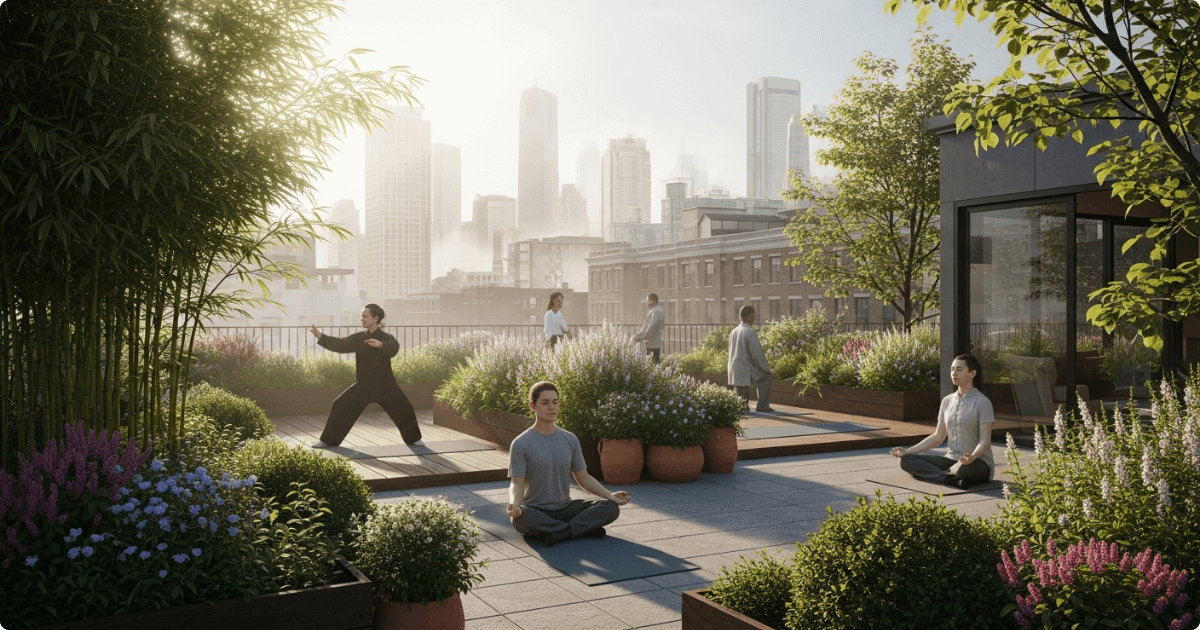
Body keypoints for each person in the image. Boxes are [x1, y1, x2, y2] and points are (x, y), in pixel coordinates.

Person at [506, 382, 631, 547]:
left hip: (566, 509)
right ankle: (582, 530)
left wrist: (610, 496)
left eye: (555, 402)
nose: (552, 407)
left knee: (611, 508)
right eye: (545, 402)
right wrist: (515, 504)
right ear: (533, 406)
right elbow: (517, 483)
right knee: (521, 518)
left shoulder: (570, 439)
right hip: (536, 510)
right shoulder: (521, 443)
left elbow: (583, 477)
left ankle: (560, 532)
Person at [307, 304, 423, 448]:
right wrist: (320, 336)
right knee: (340, 405)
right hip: (363, 385)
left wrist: (380, 345)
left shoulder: (387, 338)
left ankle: (414, 439)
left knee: (405, 408)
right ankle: (328, 441)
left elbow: (394, 348)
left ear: (376, 318)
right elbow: (341, 344)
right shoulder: (359, 338)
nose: (362, 319)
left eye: (365, 316)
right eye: (361, 316)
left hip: (385, 385)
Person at [890, 354, 995, 489]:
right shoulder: (947, 401)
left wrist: (973, 457)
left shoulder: (983, 403)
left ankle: (945, 476)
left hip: (978, 462)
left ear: (972, 373)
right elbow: (938, 436)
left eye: (959, 369)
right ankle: (949, 478)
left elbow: (985, 441)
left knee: (960, 470)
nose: (953, 373)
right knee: (907, 461)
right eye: (952, 369)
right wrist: (908, 451)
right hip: (950, 459)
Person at [728, 305, 777, 412]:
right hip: (746, 370)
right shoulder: (750, 332)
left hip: (734, 369)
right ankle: (762, 405)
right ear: (750, 316)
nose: (755, 318)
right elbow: (757, 356)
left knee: (741, 396)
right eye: (754, 315)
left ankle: (742, 405)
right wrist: (768, 370)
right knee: (766, 376)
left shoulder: (733, 331)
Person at [631, 293, 665, 363]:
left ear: (651, 301)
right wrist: (636, 336)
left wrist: (641, 337)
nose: (646, 303)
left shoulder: (656, 311)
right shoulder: (656, 310)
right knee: (653, 364)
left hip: (652, 344)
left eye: (647, 301)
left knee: (652, 365)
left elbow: (651, 328)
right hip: (653, 343)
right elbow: (646, 327)